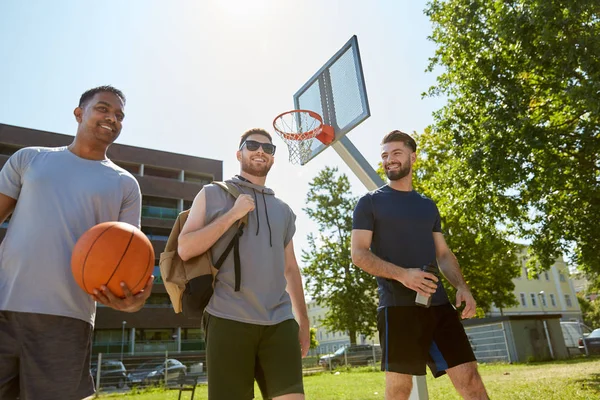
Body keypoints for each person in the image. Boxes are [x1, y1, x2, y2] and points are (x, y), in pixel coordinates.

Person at [0, 85, 153, 400]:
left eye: (119, 115)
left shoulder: (125, 184)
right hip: (3, 306)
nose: (112, 118)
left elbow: (130, 259)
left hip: (68, 318)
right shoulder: (29, 159)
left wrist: (134, 300)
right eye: (103, 109)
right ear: (79, 113)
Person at [351, 130, 489, 400]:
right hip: (397, 308)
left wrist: (462, 286)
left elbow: (444, 254)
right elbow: (359, 254)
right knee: (400, 390)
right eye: (385, 155)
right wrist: (404, 275)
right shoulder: (369, 203)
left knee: (470, 379)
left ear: (413, 157)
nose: (389, 160)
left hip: (438, 305)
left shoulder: (427, 205)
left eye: (396, 153)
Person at [178, 128, 309, 400]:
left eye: (268, 148)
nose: (260, 150)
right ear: (240, 153)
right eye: (252, 145)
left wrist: (303, 322)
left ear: (272, 158)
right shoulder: (211, 193)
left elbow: (291, 268)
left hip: (279, 321)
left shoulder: (284, 210)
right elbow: (185, 248)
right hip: (227, 319)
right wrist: (232, 215)